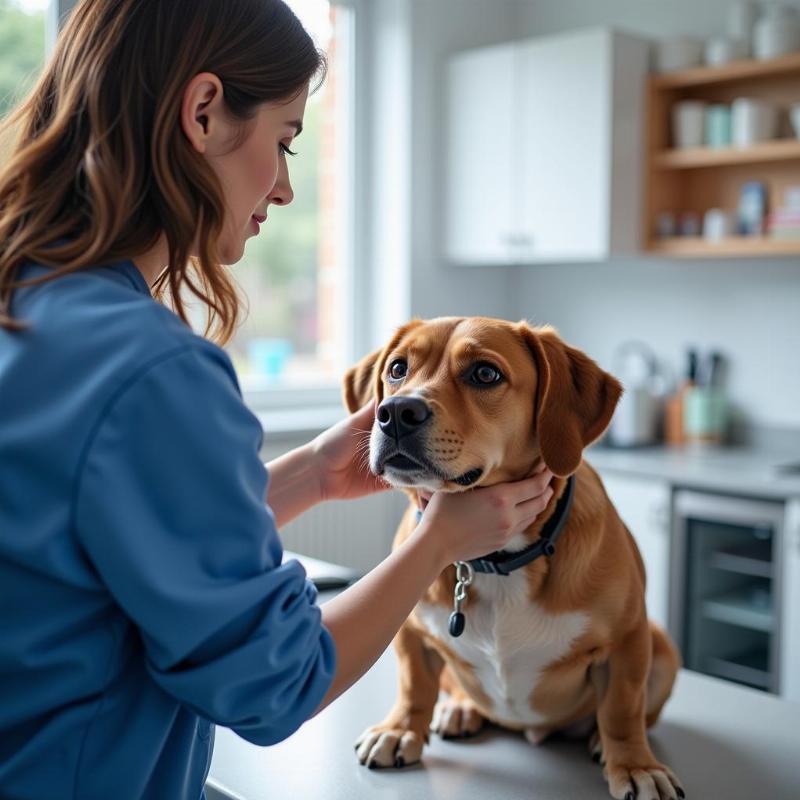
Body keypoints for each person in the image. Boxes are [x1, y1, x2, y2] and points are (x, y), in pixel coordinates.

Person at [0, 1, 554, 798]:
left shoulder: (32, 306)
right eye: (286, 140)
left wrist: (317, 474)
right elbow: (276, 684)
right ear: (202, 113)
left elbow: (101, 543)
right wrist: (435, 544)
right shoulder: (154, 368)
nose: (287, 187)